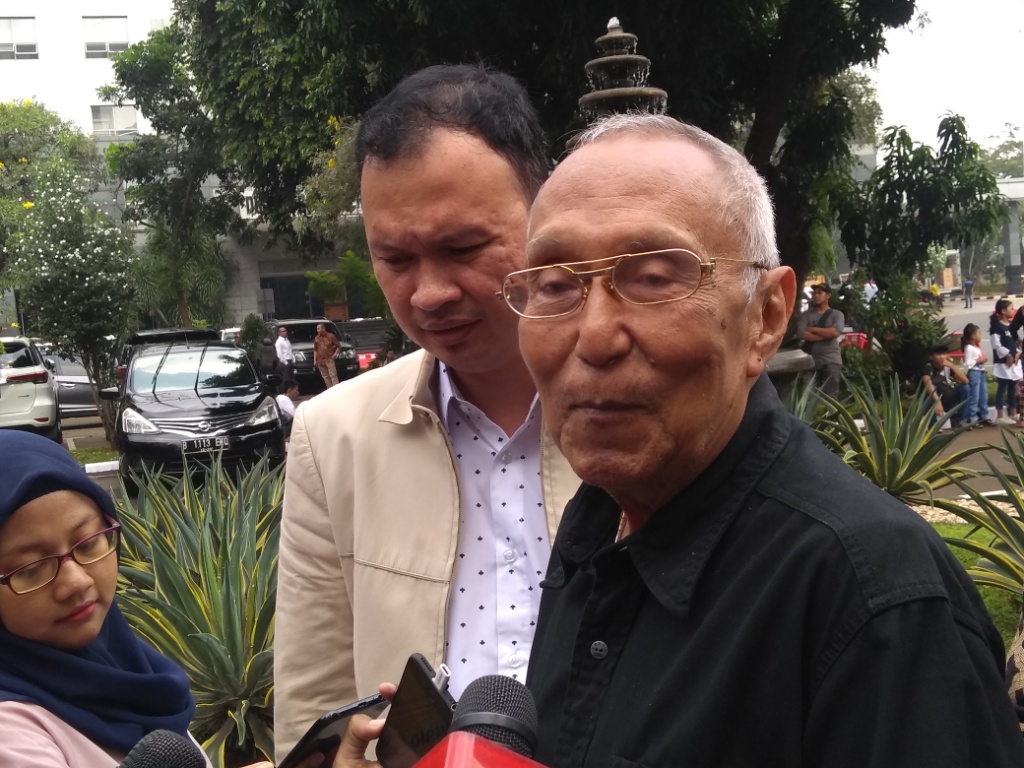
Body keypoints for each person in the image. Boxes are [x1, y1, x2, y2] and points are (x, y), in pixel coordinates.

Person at [507, 114, 1023, 765]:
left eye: (654, 279)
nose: (594, 337)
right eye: (555, 285)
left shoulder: (873, 600)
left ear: (767, 317)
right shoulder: (598, 528)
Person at [272, 64, 580, 761]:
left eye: (463, 248)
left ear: (546, 216)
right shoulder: (332, 439)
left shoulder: (633, 411)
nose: (430, 292)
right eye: (395, 258)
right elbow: (312, 710)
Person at [0, 431, 206, 766]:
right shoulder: (10, 735)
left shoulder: (131, 671)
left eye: (87, 543)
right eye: (31, 568)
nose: (76, 582)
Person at [795, 282, 844, 398]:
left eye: (819, 293)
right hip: (810, 360)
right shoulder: (805, 315)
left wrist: (812, 329)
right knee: (808, 396)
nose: (816, 295)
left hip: (832, 360)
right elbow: (802, 334)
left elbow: (835, 332)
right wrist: (826, 334)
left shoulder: (837, 314)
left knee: (831, 397)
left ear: (828, 295)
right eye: (814, 293)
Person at [921, 344, 969, 428]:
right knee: (932, 391)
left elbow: (965, 381)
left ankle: (960, 420)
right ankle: (933, 425)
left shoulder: (947, 367)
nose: (942, 357)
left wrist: (952, 366)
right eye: (938, 354)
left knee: (965, 388)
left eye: (944, 354)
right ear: (931, 357)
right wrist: (938, 402)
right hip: (934, 399)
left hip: (948, 398)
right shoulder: (927, 367)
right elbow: (927, 384)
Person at [990, 299, 1022, 426]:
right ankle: (1000, 416)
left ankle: (1013, 413)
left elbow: (1016, 343)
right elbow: (995, 344)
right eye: (1010, 308)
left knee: (1012, 388)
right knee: (1002, 388)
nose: (1013, 310)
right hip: (1003, 363)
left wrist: (1018, 353)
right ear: (1003, 311)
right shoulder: (997, 326)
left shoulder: (1011, 326)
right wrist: (1007, 354)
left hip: (1013, 362)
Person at [961, 323, 993, 428]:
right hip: (974, 373)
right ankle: (973, 418)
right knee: (974, 396)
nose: (980, 335)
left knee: (983, 396)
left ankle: (984, 415)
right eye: (979, 333)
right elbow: (967, 364)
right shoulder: (969, 348)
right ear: (973, 335)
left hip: (981, 372)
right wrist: (979, 360)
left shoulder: (977, 347)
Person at [313, 323, 341, 388]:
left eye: (318, 329)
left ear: (323, 328)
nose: (317, 330)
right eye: (317, 329)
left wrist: (335, 354)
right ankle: (329, 390)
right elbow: (315, 349)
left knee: (333, 375)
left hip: (329, 358)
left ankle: (337, 389)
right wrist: (315, 360)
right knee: (325, 376)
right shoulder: (316, 338)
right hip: (320, 360)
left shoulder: (330, 336)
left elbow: (338, 346)